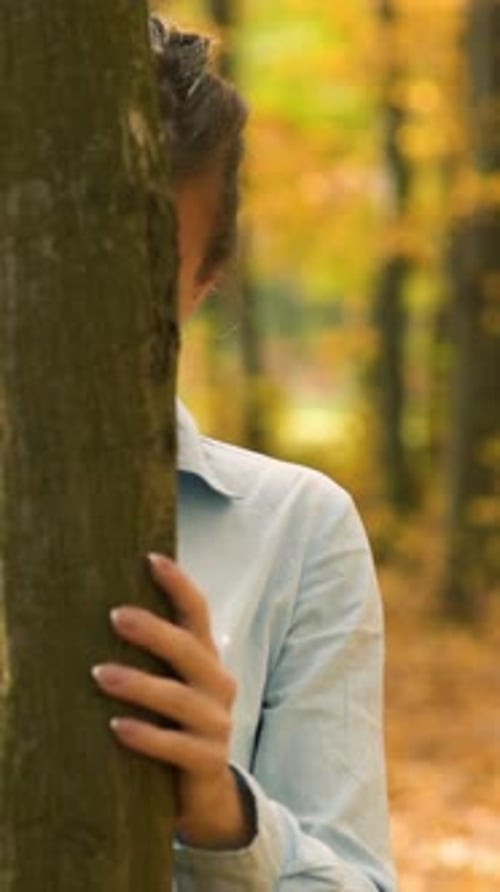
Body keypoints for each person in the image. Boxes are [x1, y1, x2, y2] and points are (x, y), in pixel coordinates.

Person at [92, 17, 398, 891]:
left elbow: (355, 879)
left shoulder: (298, 534)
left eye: (140, 267)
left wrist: (222, 817)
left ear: (204, 280)